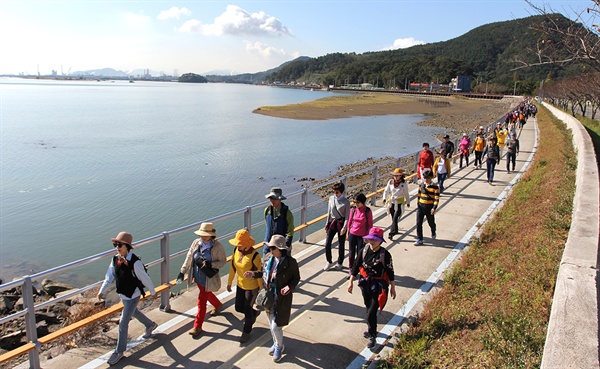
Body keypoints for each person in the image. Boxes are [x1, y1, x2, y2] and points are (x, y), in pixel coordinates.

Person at [98, 232, 158, 366]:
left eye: (120, 245)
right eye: (115, 244)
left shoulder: (135, 262)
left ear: (127, 246)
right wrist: (102, 291)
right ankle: (150, 325)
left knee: (123, 322)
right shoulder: (115, 259)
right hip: (123, 294)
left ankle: (119, 351)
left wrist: (152, 292)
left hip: (134, 294)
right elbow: (109, 276)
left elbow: (145, 278)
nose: (117, 247)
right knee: (134, 312)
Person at [245, 235, 300, 362]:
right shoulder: (269, 258)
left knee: (276, 326)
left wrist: (289, 287)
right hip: (269, 297)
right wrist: (253, 274)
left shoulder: (290, 262)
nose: (270, 250)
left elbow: (296, 278)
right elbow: (264, 273)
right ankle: (276, 343)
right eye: (269, 247)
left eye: (272, 248)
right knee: (271, 323)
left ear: (280, 249)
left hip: (281, 298)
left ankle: (279, 346)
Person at [347, 227, 396, 349]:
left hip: (378, 286)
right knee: (368, 307)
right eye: (370, 239)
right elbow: (355, 266)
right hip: (365, 284)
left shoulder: (385, 254)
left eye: (375, 239)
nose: (372, 242)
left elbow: (390, 272)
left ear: (380, 241)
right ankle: (371, 330)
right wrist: (351, 282)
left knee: (371, 311)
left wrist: (393, 288)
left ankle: (372, 337)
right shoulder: (363, 251)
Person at [177, 222, 227, 337]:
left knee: (201, 301)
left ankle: (197, 326)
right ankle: (218, 305)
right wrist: (182, 271)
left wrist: (211, 264)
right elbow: (189, 257)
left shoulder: (218, 247)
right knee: (205, 293)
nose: (203, 237)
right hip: (197, 275)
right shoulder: (196, 243)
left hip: (208, 278)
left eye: (206, 234)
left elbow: (222, 261)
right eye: (202, 234)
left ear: (212, 235)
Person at [227, 229, 263, 343]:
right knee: (238, 307)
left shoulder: (255, 256)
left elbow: (260, 273)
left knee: (247, 308)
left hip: (252, 287)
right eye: (237, 244)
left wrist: (261, 289)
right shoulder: (235, 251)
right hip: (240, 284)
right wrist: (229, 282)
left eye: (240, 244)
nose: (238, 246)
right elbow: (232, 268)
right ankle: (254, 313)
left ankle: (246, 332)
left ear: (246, 244)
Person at [323, 182, 351, 271]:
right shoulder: (331, 199)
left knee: (341, 244)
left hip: (341, 223)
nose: (335, 193)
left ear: (341, 192)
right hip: (333, 222)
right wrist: (327, 223)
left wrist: (344, 228)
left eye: (337, 192)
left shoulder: (346, 202)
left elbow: (347, 216)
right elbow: (329, 212)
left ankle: (340, 262)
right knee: (327, 244)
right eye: (334, 191)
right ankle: (329, 261)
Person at [347, 193, 373, 276]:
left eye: (357, 202)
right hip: (352, 233)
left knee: (360, 253)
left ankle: (360, 269)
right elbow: (350, 221)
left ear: (362, 202)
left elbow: (370, 225)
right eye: (354, 202)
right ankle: (351, 269)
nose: (356, 204)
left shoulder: (367, 211)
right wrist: (348, 233)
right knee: (351, 253)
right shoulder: (353, 210)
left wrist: (368, 237)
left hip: (362, 235)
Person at [263, 187, 294, 256]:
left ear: (280, 199)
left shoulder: (287, 213)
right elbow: (268, 227)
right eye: (271, 198)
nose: (272, 201)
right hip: (268, 246)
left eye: (275, 199)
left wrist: (285, 247)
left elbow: (290, 232)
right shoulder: (267, 211)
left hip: (281, 248)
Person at [382, 168, 410, 240]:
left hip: (399, 203)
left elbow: (406, 193)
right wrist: (384, 198)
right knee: (393, 218)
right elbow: (386, 190)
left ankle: (391, 233)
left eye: (397, 176)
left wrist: (408, 202)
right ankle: (396, 229)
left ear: (401, 176)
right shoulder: (390, 182)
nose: (396, 177)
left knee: (395, 218)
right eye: (394, 175)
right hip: (391, 202)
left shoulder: (404, 183)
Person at [414, 168, 439, 246]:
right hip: (421, 206)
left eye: (428, 178)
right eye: (425, 178)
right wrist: (418, 204)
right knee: (418, 223)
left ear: (431, 178)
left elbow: (436, 198)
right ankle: (419, 239)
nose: (426, 180)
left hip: (429, 207)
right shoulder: (421, 185)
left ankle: (433, 230)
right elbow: (418, 195)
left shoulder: (435, 187)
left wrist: (434, 208)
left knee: (430, 222)